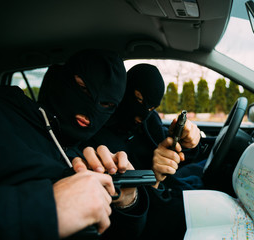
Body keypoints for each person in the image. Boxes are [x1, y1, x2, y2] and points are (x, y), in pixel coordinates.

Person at [0, 49, 148, 239]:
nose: (92, 108)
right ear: (60, 79)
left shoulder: (86, 153)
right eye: (83, 88)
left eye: (107, 105)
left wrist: (127, 202)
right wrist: (46, 209)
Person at [84, 63, 202, 239]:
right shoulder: (99, 138)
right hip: (153, 212)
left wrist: (191, 138)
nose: (142, 114)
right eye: (138, 99)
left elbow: (166, 144)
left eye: (151, 108)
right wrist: (155, 177)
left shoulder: (149, 120)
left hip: (172, 186)